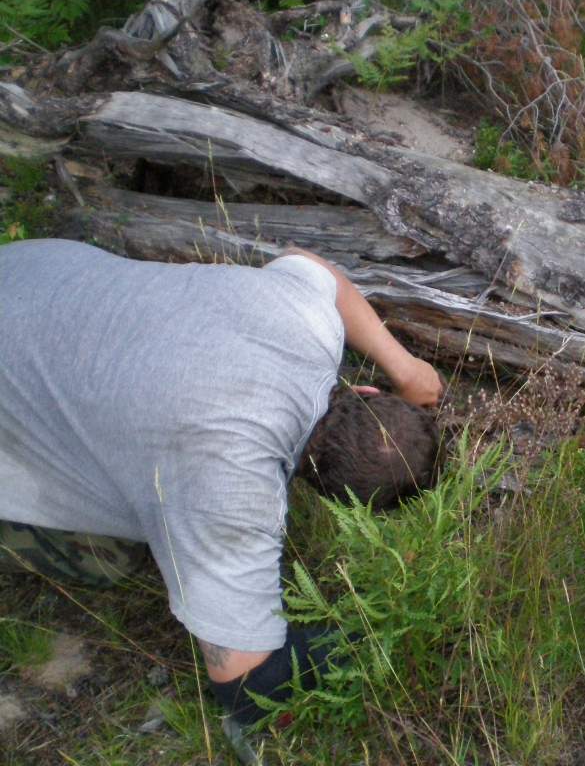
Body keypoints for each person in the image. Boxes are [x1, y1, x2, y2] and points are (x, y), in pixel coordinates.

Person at [0, 238, 445, 725]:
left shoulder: (303, 321)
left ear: (364, 389)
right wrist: (380, 635)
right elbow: (247, 687)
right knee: (110, 559)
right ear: (334, 503)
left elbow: (311, 265)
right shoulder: (231, 498)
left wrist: (405, 367)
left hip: (32, 267)